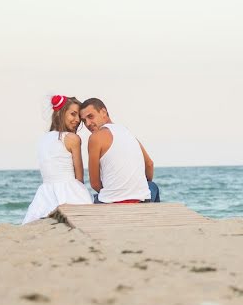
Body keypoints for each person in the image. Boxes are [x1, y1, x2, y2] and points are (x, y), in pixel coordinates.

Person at [22, 95, 95, 223]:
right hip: (70, 191)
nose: (77, 120)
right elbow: (79, 178)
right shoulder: (72, 138)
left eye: (79, 117)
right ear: (60, 114)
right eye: (73, 114)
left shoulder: (42, 140)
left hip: (45, 193)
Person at [79, 97, 160, 204]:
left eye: (90, 116)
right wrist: (138, 189)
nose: (88, 123)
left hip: (112, 202)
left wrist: (115, 195)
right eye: (84, 121)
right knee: (152, 186)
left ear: (103, 112)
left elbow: (94, 184)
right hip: (141, 200)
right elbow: (149, 164)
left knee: (86, 198)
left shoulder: (95, 137)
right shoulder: (126, 132)